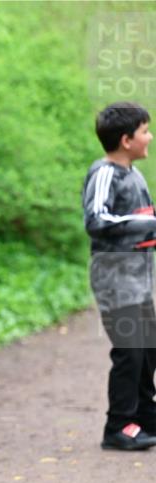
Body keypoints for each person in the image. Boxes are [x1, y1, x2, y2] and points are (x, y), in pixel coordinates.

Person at [82, 101, 156, 451]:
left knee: (147, 350)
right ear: (127, 140)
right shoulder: (105, 173)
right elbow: (96, 219)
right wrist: (149, 224)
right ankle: (119, 426)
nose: (150, 137)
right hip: (114, 276)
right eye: (145, 131)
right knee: (129, 351)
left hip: (139, 277)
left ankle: (144, 415)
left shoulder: (135, 174)